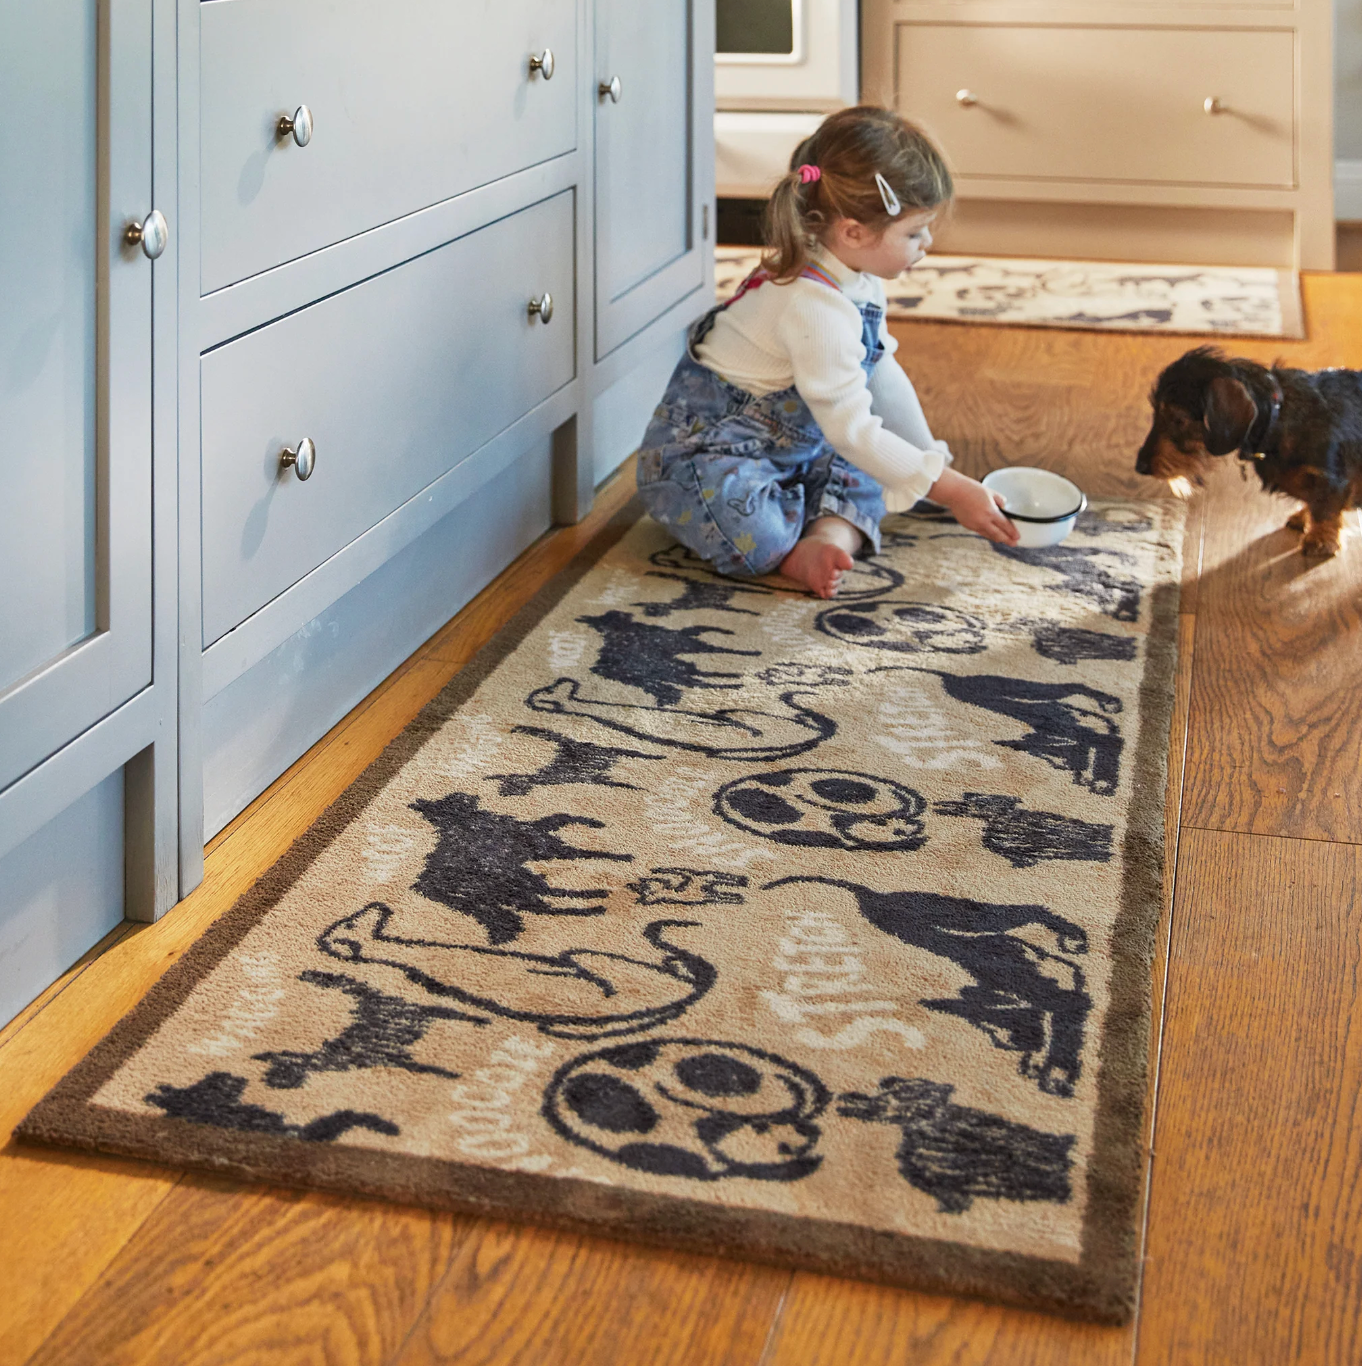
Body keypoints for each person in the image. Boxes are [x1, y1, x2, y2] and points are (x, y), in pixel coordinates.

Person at [635, 105, 1019, 599]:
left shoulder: (855, 279)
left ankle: (826, 537)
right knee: (753, 522)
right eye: (914, 233)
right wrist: (947, 488)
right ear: (853, 232)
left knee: (879, 468)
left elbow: (879, 372)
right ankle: (793, 553)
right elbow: (853, 429)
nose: (927, 244)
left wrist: (932, 464)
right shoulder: (813, 307)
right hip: (705, 458)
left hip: (791, 446)